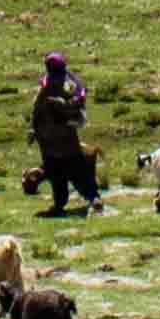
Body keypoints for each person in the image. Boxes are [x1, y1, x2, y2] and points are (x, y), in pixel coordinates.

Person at [30, 52, 99, 215]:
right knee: (56, 174)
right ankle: (59, 204)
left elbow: (77, 108)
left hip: (65, 139)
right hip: (48, 142)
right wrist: (33, 129)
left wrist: (62, 105)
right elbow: (36, 110)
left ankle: (93, 199)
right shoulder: (45, 86)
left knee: (77, 170)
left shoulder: (70, 86)